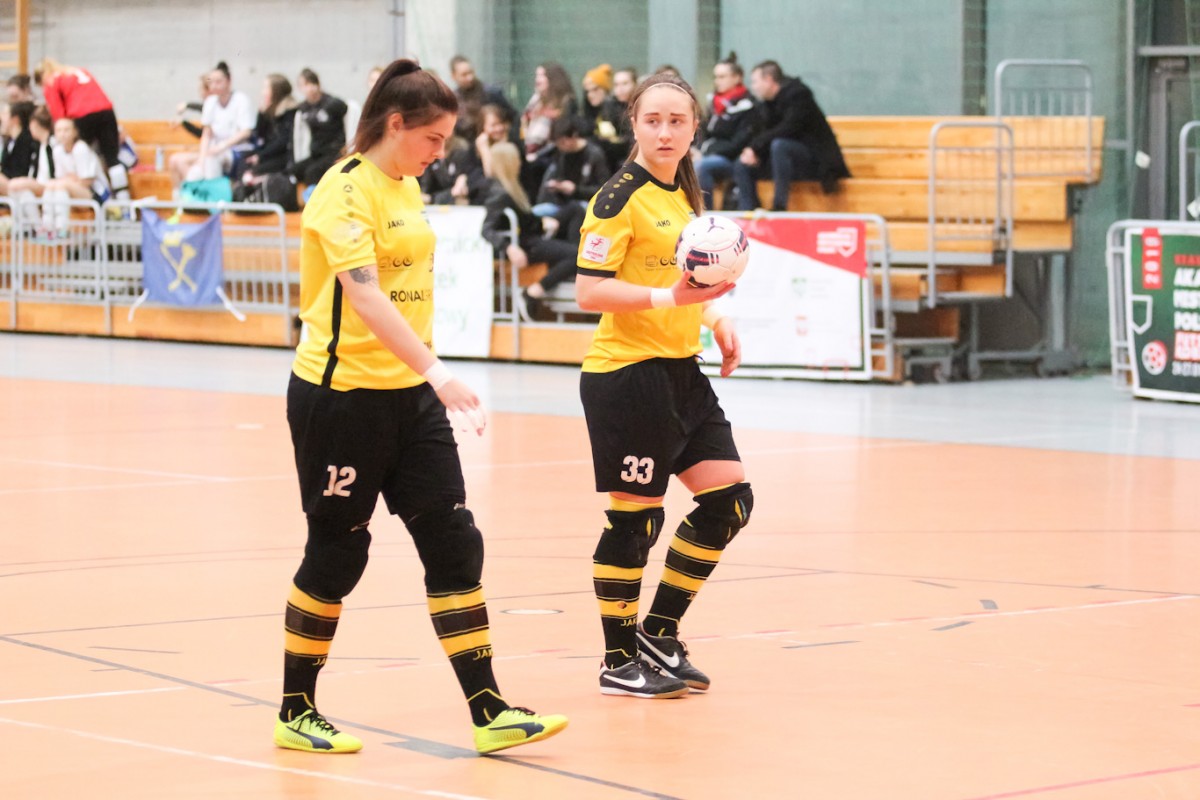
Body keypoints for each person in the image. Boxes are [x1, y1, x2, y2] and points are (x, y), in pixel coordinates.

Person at [275, 57, 567, 756]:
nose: (440, 152)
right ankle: (295, 709)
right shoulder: (342, 191)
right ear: (396, 124)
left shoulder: (406, 184)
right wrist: (439, 373)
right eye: (433, 138)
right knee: (337, 553)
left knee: (453, 540)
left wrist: (424, 378)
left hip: (408, 399)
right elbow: (365, 296)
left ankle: (489, 709)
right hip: (341, 399)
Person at [574, 72, 751, 698]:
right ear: (634, 124)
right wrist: (669, 298)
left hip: (681, 371)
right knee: (635, 522)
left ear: (695, 126)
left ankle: (659, 632)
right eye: (653, 120)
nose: (665, 132)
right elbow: (588, 291)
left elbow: (688, 285)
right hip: (627, 376)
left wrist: (716, 318)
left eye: (677, 121)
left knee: (730, 503)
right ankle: (617, 660)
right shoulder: (618, 198)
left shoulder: (682, 197)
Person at [480, 141, 580, 320]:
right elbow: (486, 230)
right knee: (577, 255)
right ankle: (533, 292)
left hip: (534, 231)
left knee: (575, 209)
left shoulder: (512, 186)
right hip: (525, 244)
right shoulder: (499, 194)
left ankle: (569, 267)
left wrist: (543, 222)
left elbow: (526, 219)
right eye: (516, 159)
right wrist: (509, 247)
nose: (520, 162)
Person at [732, 59, 850, 211]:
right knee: (742, 163)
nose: (753, 87)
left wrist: (756, 147)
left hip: (815, 160)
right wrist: (752, 151)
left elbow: (789, 128)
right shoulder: (765, 104)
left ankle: (779, 206)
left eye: (755, 82)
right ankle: (748, 211)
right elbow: (761, 132)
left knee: (780, 146)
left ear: (768, 80)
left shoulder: (799, 96)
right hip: (781, 161)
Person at [34, 59, 130, 200]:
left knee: (78, 151)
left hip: (82, 115)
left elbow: (59, 115)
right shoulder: (79, 71)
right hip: (107, 112)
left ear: (42, 76)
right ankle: (123, 199)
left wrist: (61, 131)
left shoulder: (51, 80)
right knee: (112, 159)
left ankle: (91, 191)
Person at [169, 61, 255, 187]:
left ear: (228, 81)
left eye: (218, 82)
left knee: (211, 159)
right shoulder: (210, 102)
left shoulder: (241, 100)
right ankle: (187, 196)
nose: (214, 86)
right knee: (193, 172)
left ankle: (214, 196)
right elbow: (206, 134)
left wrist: (222, 146)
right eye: (211, 82)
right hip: (213, 151)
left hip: (237, 151)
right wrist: (201, 160)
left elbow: (246, 132)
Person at [534, 114, 608, 242]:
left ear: (574, 136)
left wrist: (576, 190)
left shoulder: (594, 155)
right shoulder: (561, 154)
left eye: (563, 142)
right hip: (562, 203)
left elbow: (604, 190)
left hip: (586, 203)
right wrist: (557, 186)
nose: (561, 146)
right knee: (535, 212)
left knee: (577, 209)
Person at [696, 54, 755, 210]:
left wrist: (704, 152)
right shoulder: (714, 102)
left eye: (722, 77)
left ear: (737, 78)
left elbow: (738, 143)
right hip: (710, 153)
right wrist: (696, 149)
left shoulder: (748, 105)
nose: (717, 81)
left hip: (732, 158)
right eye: (715, 77)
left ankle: (705, 213)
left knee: (701, 166)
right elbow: (703, 132)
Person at [290, 68, 347, 185]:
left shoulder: (332, 103)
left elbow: (345, 108)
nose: (309, 88)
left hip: (333, 152)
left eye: (311, 83)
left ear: (317, 84)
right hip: (316, 153)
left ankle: (316, 195)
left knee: (312, 172)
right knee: (295, 170)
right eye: (305, 85)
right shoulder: (303, 108)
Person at [449, 55, 514, 143]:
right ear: (453, 76)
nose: (470, 77)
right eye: (464, 75)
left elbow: (512, 117)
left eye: (471, 72)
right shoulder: (453, 99)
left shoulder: (491, 93)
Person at [0, 101, 36, 193]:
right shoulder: (8, 142)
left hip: (21, 187)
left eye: (5, 114)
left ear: (15, 119)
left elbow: (22, 171)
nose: (1, 117)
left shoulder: (27, 142)